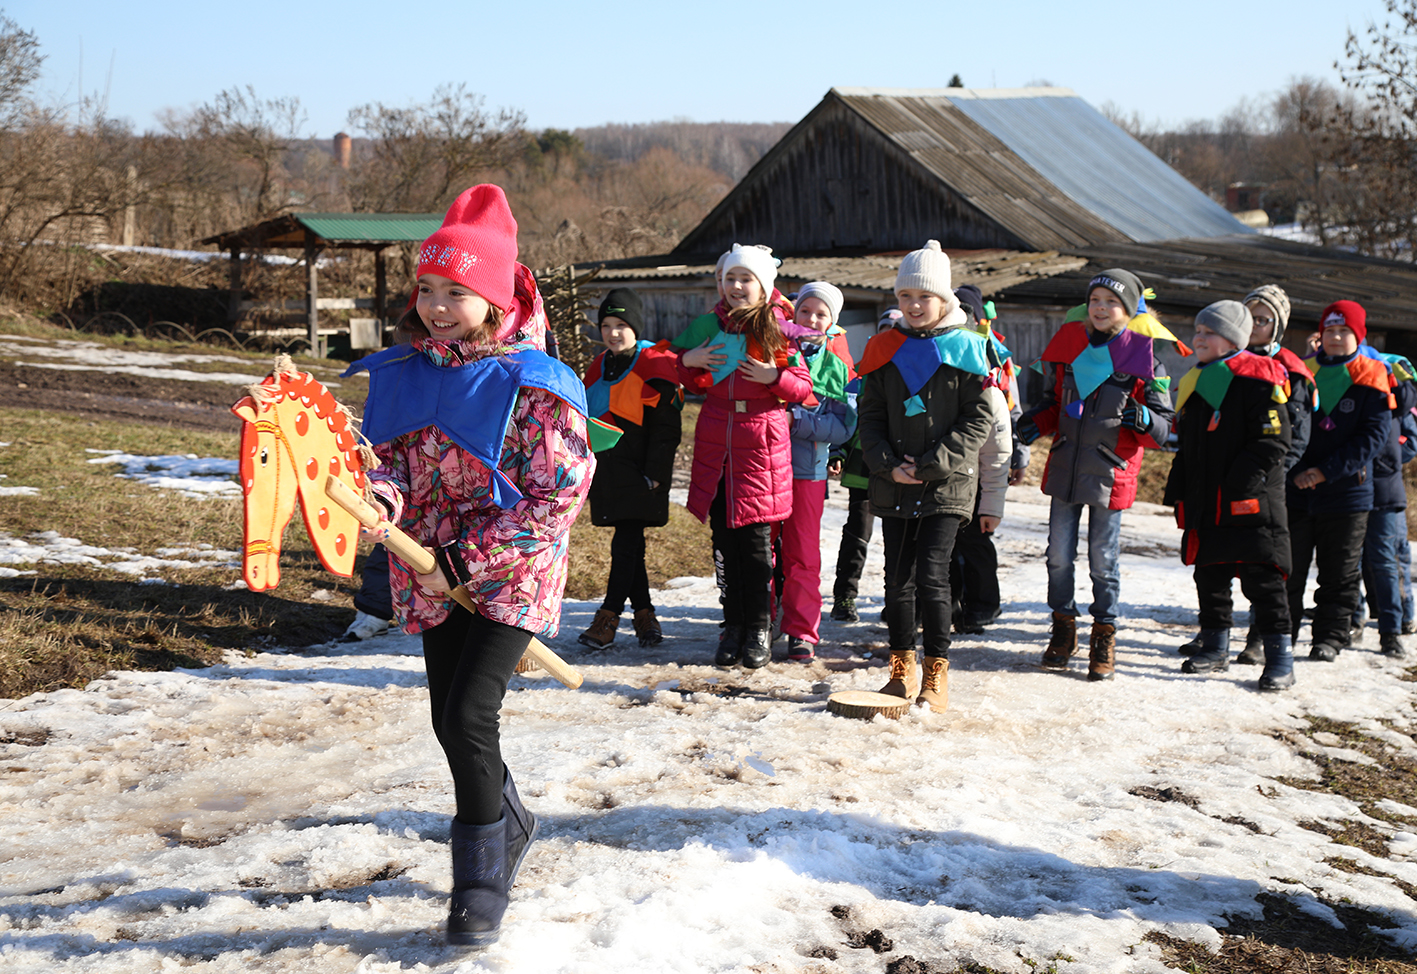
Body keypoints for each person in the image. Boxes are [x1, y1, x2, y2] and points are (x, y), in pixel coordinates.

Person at [347, 185, 595, 948]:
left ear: (494, 298)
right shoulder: (401, 373)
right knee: (445, 720)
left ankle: (481, 869)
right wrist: (379, 503)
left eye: (457, 291)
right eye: (426, 289)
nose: (437, 306)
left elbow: (556, 497)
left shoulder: (534, 386)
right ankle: (508, 816)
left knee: (466, 714)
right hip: (426, 570)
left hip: (507, 573)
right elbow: (381, 464)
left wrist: (463, 558)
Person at [1016, 269, 1177, 680]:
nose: (1101, 308)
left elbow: (1164, 428)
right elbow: (1056, 403)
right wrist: (1038, 422)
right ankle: (1063, 629)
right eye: (1095, 301)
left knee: (1103, 561)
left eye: (1112, 302)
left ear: (1128, 310)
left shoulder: (1146, 358)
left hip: (1112, 473)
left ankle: (1104, 634)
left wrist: (1144, 418)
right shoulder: (1071, 349)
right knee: (1057, 557)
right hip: (1067, 466)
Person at [856, 241, 994, 711]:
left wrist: (933, 464)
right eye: (905, 296)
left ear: (944, 300)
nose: (914, 306)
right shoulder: (883, 348)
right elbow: (869, 416)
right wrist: (885, 463)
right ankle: (900, 672)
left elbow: (979, 420)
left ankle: (936, 676)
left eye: (924, 297)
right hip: (893, 482)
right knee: (897, 581)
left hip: (947, 484)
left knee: (933, 577)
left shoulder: (970, 349)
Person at [672, 243, 814, 668]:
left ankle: (758, 627)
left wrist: (775, 377)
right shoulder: (707, 325)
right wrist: (688, 360)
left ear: (762, 286)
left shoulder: (778, 328)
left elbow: (804, 388)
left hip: (761, 445)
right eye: (731, 278)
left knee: (755, 548)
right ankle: (731, 627)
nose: (737, 286)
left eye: (746, 279)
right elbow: (690, 376)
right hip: (717, 442)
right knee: (724, 545)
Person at [1163, 301, 1296, 690]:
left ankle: (1280, 659)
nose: (1198, 338)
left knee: (1263, 582)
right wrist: (1181, 488)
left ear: (1233, 339)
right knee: (1210, 576)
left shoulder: (1259, 379)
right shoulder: (1196, 382)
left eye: (1209, 332)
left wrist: (1237, 483)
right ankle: (1215, 645)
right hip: (1207, 503)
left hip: (1250, 502)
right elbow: (1188, 447)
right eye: (1197, 331)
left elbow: (1273, 442)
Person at [1286, 300, 1394, 661]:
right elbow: (1290, 425)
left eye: (1344, 331)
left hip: (1348, 493)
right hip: (1297, 490)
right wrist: (1298, 471)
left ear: (1358, 335)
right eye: (1329, 330)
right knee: (1289, 568)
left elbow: (1372, 438)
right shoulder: (1303, 370)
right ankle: (1279, 632)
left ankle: (1330, 637)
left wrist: (1325, 471)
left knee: (1340, 572)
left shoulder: (1372, 374)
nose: (1335, 337)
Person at [577, 288, 684, 650]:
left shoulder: (655, 364)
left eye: (621, 324)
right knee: (629, 547)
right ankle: (645, 616)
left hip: (641, 474)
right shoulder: (598, 366)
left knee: (625, 545)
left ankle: (607, 619)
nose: (612, 333)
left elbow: (667, 428)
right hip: (608, 472)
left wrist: (655, 473)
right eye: (606, 325)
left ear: (635, 326)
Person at [780, 282, 856, 661]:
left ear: (832, 323)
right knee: (764, 551)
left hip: (808, 471)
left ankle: (801, 630)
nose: (811, 318)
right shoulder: (775, 353)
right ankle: (762, 622)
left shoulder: (837, 368)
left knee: (802, 553)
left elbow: (843, 427)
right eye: (805, 310)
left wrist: (796, 421)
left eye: (820, 314)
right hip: (764, 466)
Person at [948, 285, 1022, 633]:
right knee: (945, 542)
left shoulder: (994, 357)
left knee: (975, 540)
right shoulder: (940, 350)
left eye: (968, 310)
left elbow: (1010, 414)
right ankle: (948, 604)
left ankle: (983, 605)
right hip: (947, 468)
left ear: (980, 317)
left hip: (981, 464)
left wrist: (1019, 454)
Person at [830, 309, 902, 622]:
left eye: (896, 330)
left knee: (897, 541)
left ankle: (896, 602)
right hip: (863, 470)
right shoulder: (860, 374)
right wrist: (839, 453)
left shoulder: (911, 373)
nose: (890, 335)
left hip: (899, 471)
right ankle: (844, 598)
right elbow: (847, 421)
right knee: (857, 534)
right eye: (885, 329)